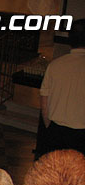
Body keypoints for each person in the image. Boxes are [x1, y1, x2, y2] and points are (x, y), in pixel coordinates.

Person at [38, 19, 85, 156]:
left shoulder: (55, 65)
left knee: (55, 172)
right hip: (82, 134)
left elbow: (44, 101)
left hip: (56, 131)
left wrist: (49, 126)